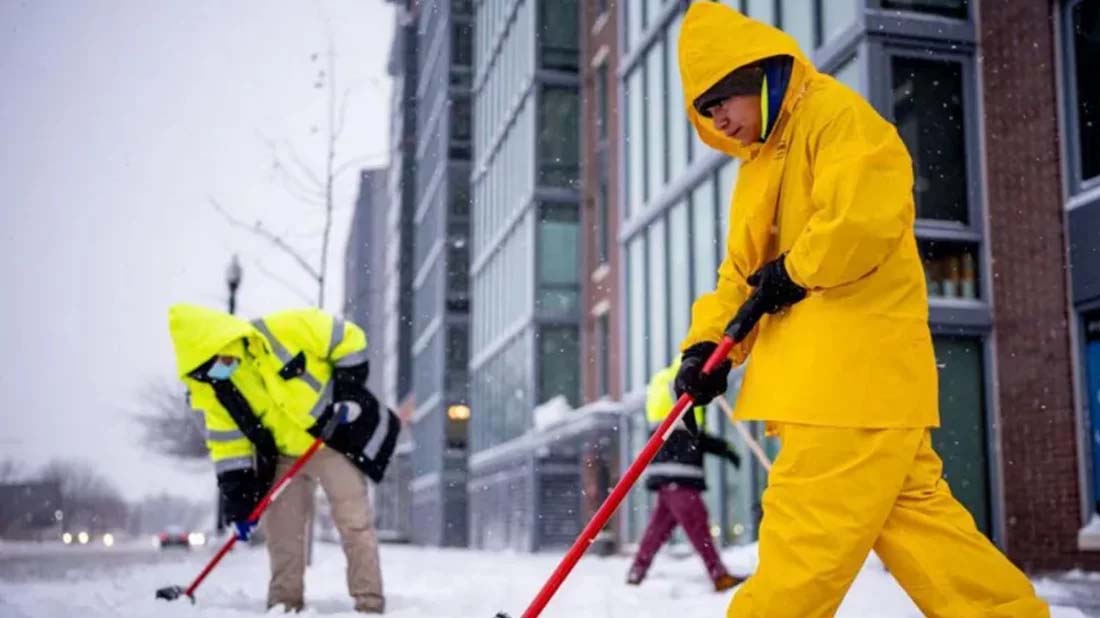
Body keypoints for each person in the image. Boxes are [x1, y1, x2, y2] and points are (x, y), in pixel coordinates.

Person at [672, 4, 1050, 617]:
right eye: (705, 112)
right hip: (857, 392)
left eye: (721, 102)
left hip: (841, 386)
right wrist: (707, 349)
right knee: (926, 533)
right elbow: (740, 278)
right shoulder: (759, 168)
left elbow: (866, 217)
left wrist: (795, 271)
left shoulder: (835, 118)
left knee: (801, 552)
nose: (717, 119)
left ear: (756, 78)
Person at [168, 304, 390, 614]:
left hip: (331, 443)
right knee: (283, 535)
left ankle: (370, 604)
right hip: (286, 457)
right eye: (207, 370)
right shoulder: (220, 389)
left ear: (225, 341)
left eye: (216, 361)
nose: (217, 371)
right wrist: (241, 506)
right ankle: (284, 606)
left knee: (355, 524)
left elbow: (349, 339)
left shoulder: (287, 328)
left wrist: (348, 394)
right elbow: (229, 448)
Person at [626, 359, 743, 592]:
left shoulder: (664, 382)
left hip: (668, 472)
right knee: (697, 522)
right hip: (679, 473)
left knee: (658, 528)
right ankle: (718, 574)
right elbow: (693, 437)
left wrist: (724, 449)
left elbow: (693, 436)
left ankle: (637, 570)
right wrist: (724, 449)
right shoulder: (680, 383)